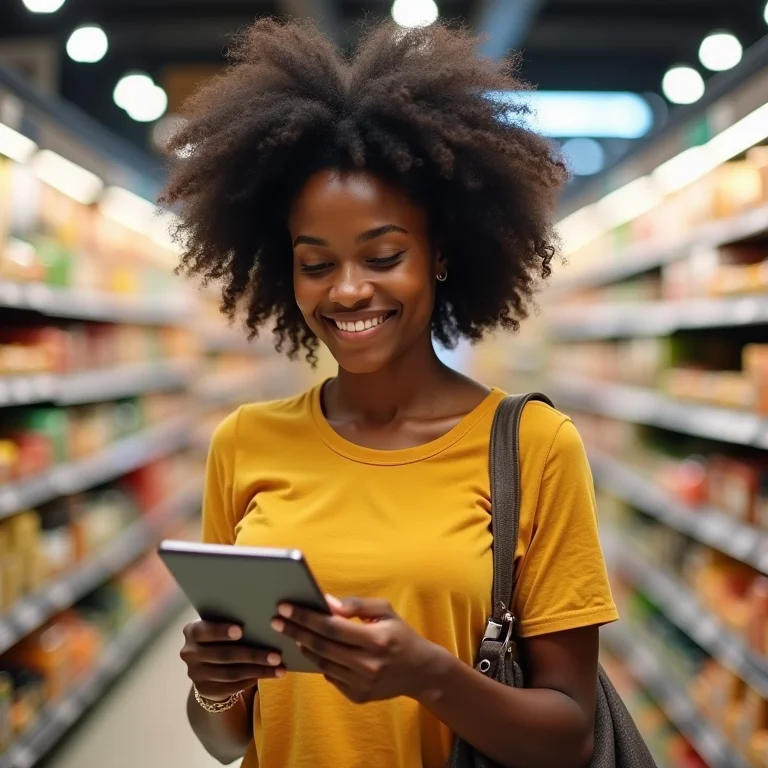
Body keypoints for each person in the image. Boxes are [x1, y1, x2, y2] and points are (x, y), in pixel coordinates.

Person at [162, 17, 619, 768]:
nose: (348, 291)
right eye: (316, 264)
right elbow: (228, 740)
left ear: (439, 255)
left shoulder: (532, 447)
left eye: (382, 255)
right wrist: (214, 687)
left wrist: (430, 675)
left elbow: (568, 736)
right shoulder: (244, 442)